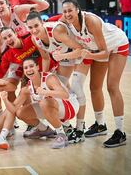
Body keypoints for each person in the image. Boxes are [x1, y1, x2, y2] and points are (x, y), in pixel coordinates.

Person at [58, 0, 129, 147]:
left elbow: (104, 53)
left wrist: (89, 55)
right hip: (96, 50)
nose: (67, 14)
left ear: (77, 9)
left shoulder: (91, 21)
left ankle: (120, 132)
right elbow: (51, 24)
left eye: (70, 10)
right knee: (94, 87)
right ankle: (100, 125)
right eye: (64, 11)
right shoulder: (65, 22)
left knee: (112, 87)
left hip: (116, 46)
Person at [25, 8, 91, 143]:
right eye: (30, 27)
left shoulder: (55, 31)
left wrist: (62, 56)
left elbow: (80, 49)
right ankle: (67, 126)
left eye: (36, 25)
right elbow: (45, 58)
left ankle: (80, 128)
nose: (34, 30)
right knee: (58, 88)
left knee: (77, 88)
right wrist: (44, 77)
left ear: (42, 23)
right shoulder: (34, 38)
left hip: (82, 52)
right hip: (66, 56)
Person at [2, 57, 79, 149]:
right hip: (52, 107)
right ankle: (44, 130)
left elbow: (65, 95)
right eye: (26, 68)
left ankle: (61, 135)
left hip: (70, 107)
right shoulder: (27, 88)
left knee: (44, 102)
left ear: (38, 67)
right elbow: (13, 109)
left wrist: (46, 92)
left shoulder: (49, 78)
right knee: (20, 113)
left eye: (31, 66)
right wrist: (5, 99)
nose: (29, 69)